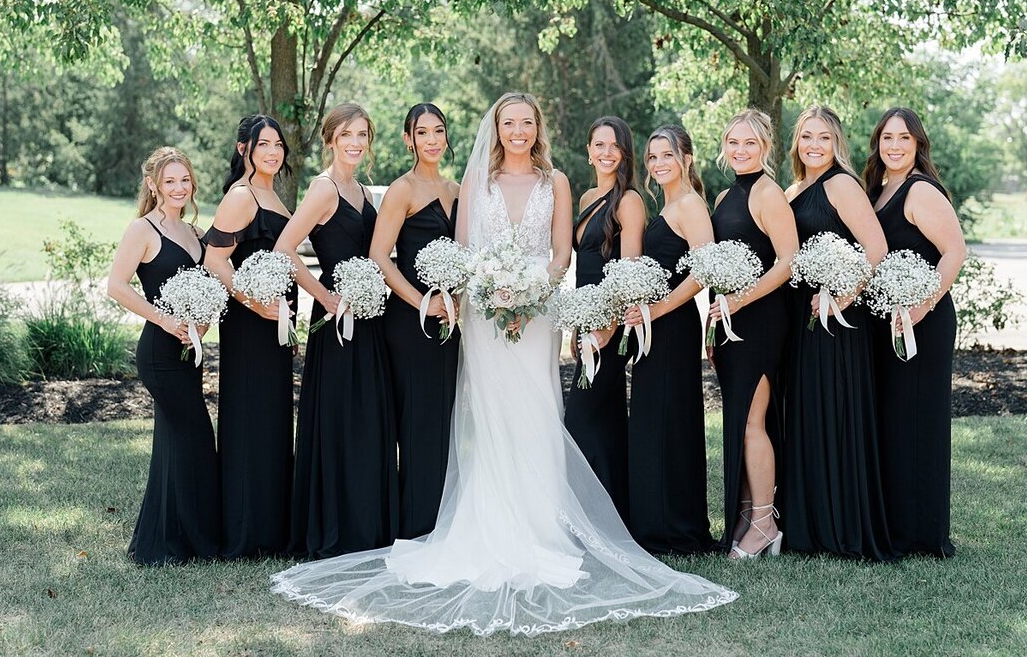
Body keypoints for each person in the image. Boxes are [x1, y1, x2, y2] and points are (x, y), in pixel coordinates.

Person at [270, 93, 736, 636]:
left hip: (536, 317)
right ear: (497, 128)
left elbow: (562, 252)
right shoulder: (476, 184)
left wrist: (533, 287)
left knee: (536, 414)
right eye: (508, 123)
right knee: (489, 419)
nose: (517, 131)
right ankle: (486, 526)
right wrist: (490, 289)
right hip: (488, 318)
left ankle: (542, 528)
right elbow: (465, 247)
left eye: (526, 123)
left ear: (538, 128)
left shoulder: (558, 183)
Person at [274, 103, 398, 558]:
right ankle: (335, 526)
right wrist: (324, 297)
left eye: (363, 134)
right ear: (330, 139)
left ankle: (367, 523)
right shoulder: (324, 189)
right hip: (335, 319)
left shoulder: (362, 190)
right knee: (340, 419)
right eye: (347, 134)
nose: (355, 142)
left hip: (368, 317)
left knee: (366, 418)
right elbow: (285, 247)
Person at [782, 105, 895, 561]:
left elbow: (876, 247)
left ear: (837, 144)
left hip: (837, 322)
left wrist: (844, 295)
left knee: (836, 414)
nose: (814, 145)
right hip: (801, 319)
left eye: (823, 138)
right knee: (808, 415)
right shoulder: (793, 188)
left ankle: (842, 526)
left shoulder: (844, 184)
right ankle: (808, 526)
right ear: (796, 143)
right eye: (806, 136)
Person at [106, 146, 220, 564]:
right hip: (158, 350)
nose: (178, 187)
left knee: (174, 441)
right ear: (153, 185)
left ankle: (169, 540)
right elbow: (117, 285)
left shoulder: (193, 232)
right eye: (169, 181)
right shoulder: (143, 229)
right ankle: (189, 541)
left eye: (184, 180)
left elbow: (208, 286)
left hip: (191, 350)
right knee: (194, 436)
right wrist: (166, 319)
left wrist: (202, 323)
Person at [864, 107, 965, 557]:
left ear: (918, 144)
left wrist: (921, 307)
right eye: (888, 137)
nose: (895, 146)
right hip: (886, 320)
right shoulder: (878, 189)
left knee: (918, 423)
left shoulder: (920, 191)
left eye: (904, 138)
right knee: (892, 422)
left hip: (922, 321)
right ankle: (896, 525)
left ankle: (922, 534)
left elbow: (954, 252)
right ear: (878, 143)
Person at [202, 115, 296, 559]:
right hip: (249, 327)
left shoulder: (273, 196)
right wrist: (255, 303)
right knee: (248, 419)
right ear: (245, 150)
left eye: (278, 145)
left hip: (277, 329)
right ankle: (245, 531)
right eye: (264, 145)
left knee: (272, 420)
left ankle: (270, 527)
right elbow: (215, 261)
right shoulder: (241, 197)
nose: (273, 153)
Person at [706, 110, 797, 558]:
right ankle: (745, 513)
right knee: (738, 421)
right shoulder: (724, 196)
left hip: (760, 322)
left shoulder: (768, 193)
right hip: (727, 323)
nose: (740, 151)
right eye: (733, 143)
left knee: (751, 424)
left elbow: (787, 262)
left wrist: (739, 302)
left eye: (750, 144)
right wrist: (714, 319)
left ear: (765, 147)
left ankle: (765, 523)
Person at [622, 125, 717, 555]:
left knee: (669, 421)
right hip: (652, 326)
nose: (659, 164)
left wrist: (656, 311)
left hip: (673, 327)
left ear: (687, 158)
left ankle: (673, 528)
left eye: (667, 155)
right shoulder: (669, 204)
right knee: (652, 420)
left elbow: (704, 271)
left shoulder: (691, 205)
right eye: (652, 158)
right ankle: (653, 521)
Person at [369, 102, 461, 539]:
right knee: (417, 421)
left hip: (452, 323)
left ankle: (442, 519)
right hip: (410, 324)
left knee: (444, 420)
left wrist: (454, 298)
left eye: (438, 131)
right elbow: (379, 258)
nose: (431, 140)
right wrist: (423, 303)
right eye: (421, 132)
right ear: (408, 139)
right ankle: (414, 523)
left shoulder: (458, 190)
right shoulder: (401, 191)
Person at [563, 116, 645, 520]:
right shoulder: (586, 198)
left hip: (610, 328)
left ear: (625, 153)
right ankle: (615, 517)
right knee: (605, 419)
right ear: (588, 150)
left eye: (614, 146)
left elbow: (627, 273)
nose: (606, 152)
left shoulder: (629, 201)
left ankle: (584, 516)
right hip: (585, 322)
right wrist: (580, 327)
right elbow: (583, 269)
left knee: (578, 418)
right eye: (599, 144)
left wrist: (605, 330)